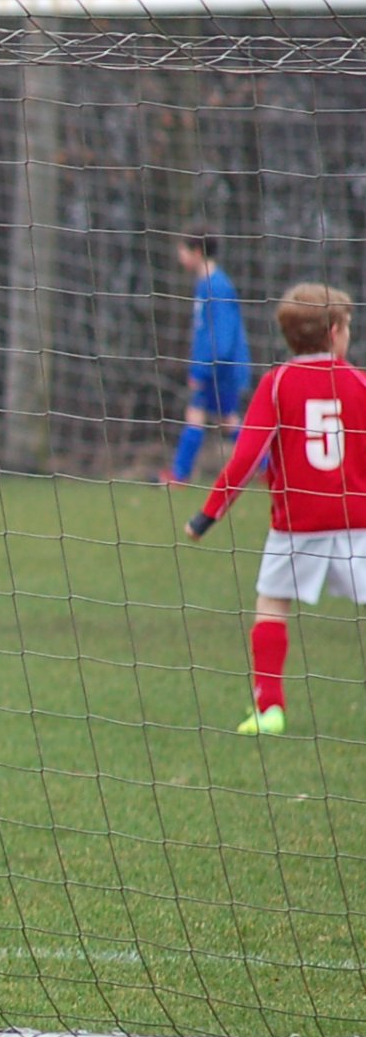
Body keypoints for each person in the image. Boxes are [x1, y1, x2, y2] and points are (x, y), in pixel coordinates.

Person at [184, 284, 366, 735]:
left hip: (296, 525)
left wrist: (206, 515)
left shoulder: (278, 382)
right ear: (337, 331)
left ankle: (269, 708)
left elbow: (246, 457)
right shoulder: (359, 382)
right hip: (358, 522)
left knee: (272, 603)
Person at [163, 229, 253, 485]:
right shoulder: (205, 283)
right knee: (222, 419)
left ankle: (179, 475)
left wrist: (201, 371)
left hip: (220, 369)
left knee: (213, 417)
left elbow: (222, 339)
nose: (179, 255)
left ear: (197, 252)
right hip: (215, 368)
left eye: (182, 250)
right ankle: (267, 468)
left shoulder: (218, 286)